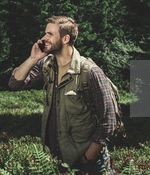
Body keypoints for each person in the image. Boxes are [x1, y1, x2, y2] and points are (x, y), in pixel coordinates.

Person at [8, 16, 116, 175]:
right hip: (59, 161)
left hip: (88, 164)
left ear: (65, 38)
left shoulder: (90, 72)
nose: (44, 38)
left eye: (50, 34)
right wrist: (33, 58)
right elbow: (14, 84)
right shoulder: (47, 66)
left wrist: (88, 158)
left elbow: (108, 122)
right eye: (45, 33)